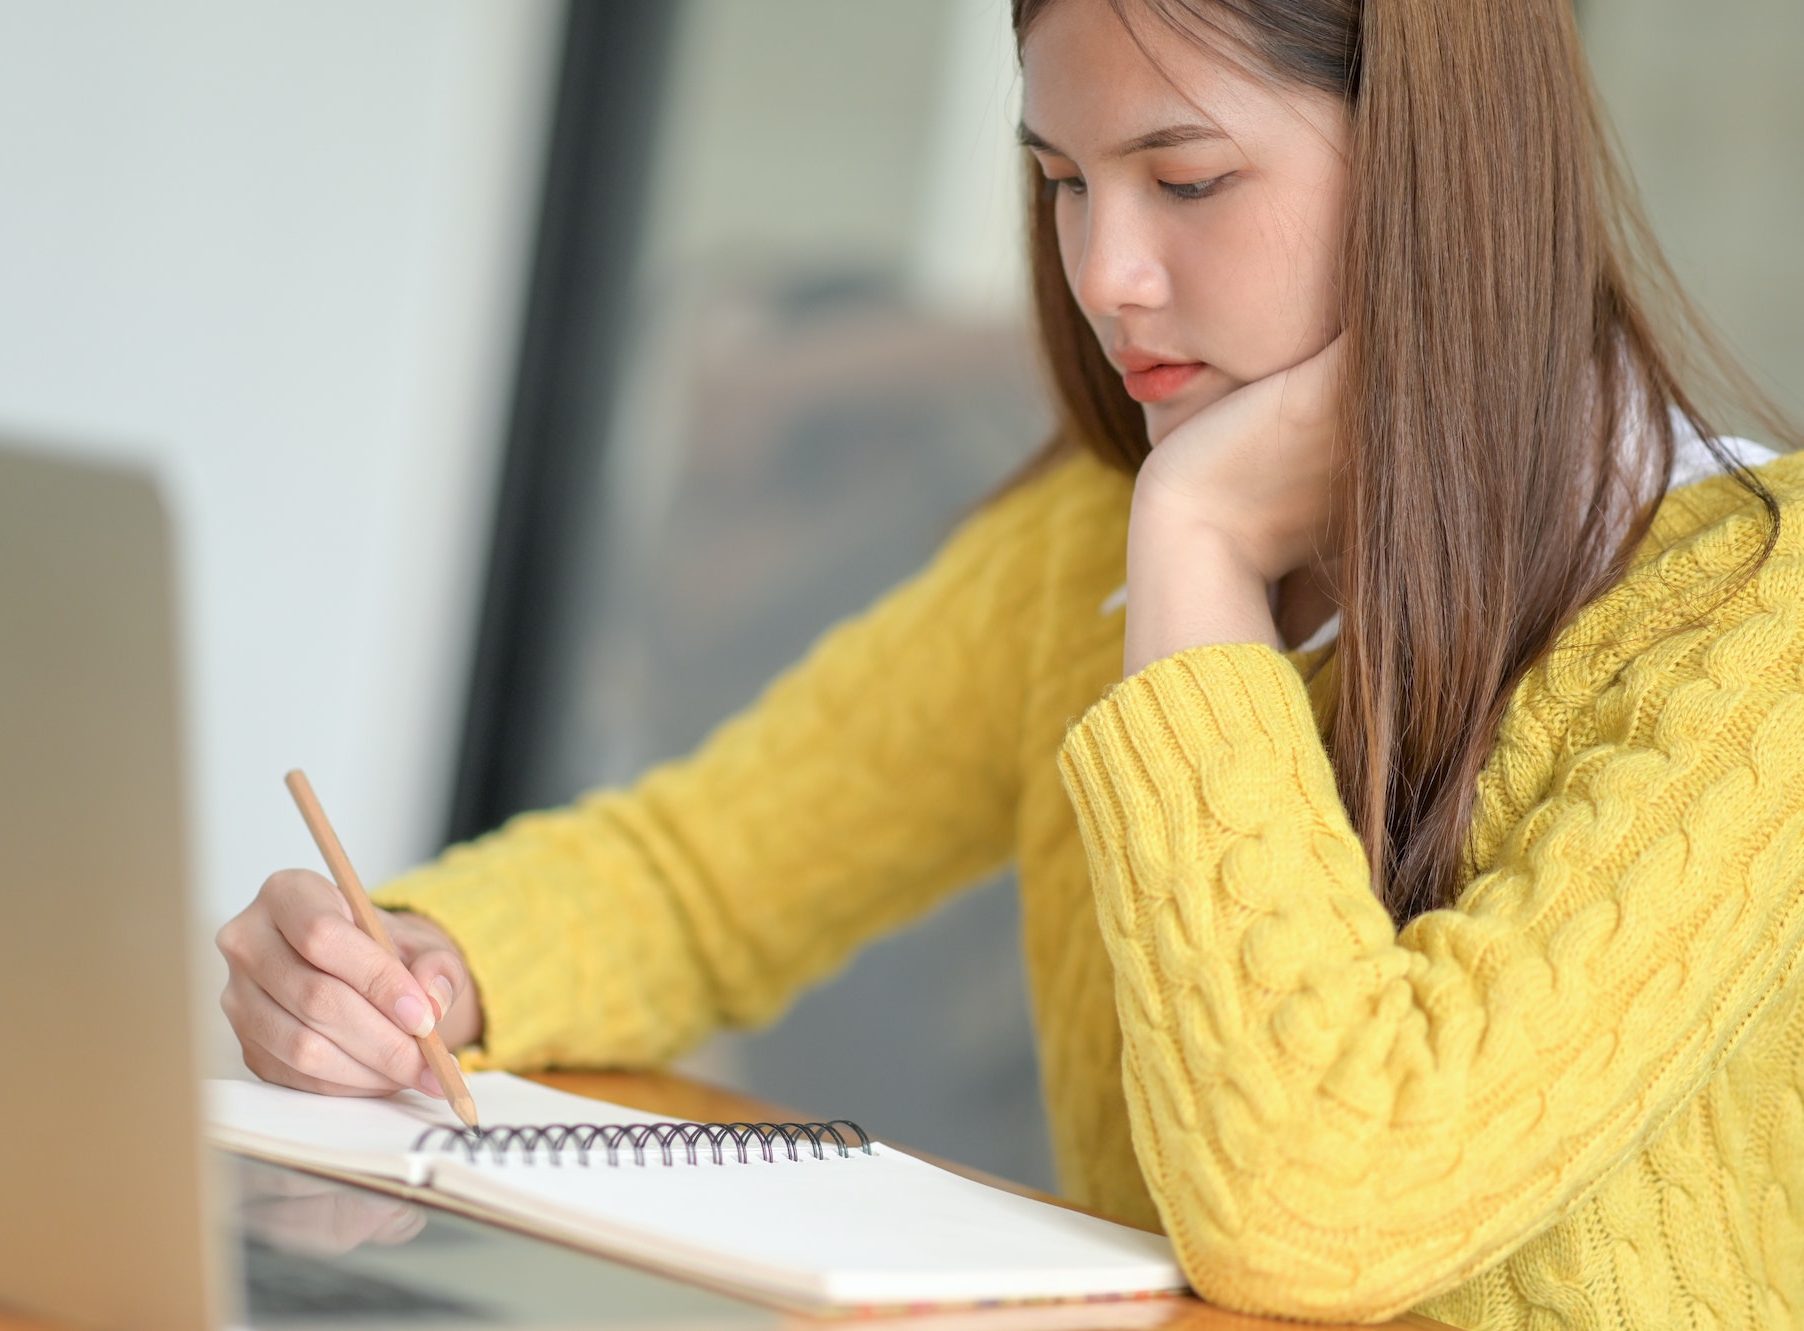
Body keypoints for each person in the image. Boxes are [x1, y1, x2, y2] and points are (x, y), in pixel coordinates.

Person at [217, 0, 1804, 1323]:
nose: (1103, 273)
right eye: (1062, 182)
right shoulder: (1075, 557)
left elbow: (1323, 1201)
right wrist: (418, 965)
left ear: (1442, 184)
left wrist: (1194, 552)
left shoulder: (1755, 624)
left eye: (1186, 183)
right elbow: (702, 878)